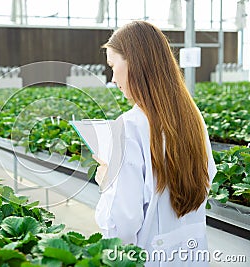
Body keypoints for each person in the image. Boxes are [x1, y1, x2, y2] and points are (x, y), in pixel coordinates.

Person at [92, 21, 217, 266]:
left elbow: (121, 227)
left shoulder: (129, 126)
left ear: (134, 63)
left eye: (112, 64)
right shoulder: (193, 117)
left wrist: (107, 181)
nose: (112, 75)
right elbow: (207, 178)